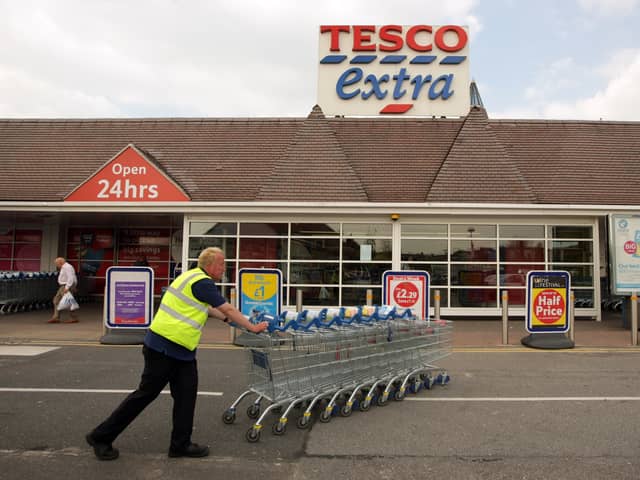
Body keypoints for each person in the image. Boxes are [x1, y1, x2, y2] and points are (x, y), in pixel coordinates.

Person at [85, 247, 269, 461]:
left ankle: (180, 444)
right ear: (209, 265)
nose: (223, 268)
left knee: (186, 395)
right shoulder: (202, 281)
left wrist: (226, 320)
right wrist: (252, 328)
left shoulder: (190, 277)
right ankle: (101, 436)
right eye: (221, 264)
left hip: (181, 351)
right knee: (145, 395)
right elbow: (228, 308)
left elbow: (206, 308)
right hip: (164, 348)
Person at [48, 257, 79, 323]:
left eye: (56, 263)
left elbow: (71, 277)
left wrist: (67, 287)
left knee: (69, 301)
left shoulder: (67, 267)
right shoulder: (65, 267)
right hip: (63, 286)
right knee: (56, 300)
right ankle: (56, 317)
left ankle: (73, 317)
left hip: (65, 286)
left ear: (60, 262)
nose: (56, 265)